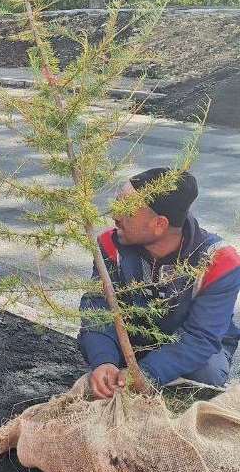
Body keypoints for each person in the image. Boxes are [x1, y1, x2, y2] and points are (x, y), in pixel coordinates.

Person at [79, 167, 240, 399]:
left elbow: (200, 337)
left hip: (190, 350)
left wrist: (148, 372)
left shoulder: (220, 261)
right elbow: (98, 307)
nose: (114, 214)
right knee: (92, 342)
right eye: (117, 202)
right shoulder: (109, 244)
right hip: (133, 343)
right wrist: (103, 360)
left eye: (127, 209)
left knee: (208, 372)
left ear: (159, 225)